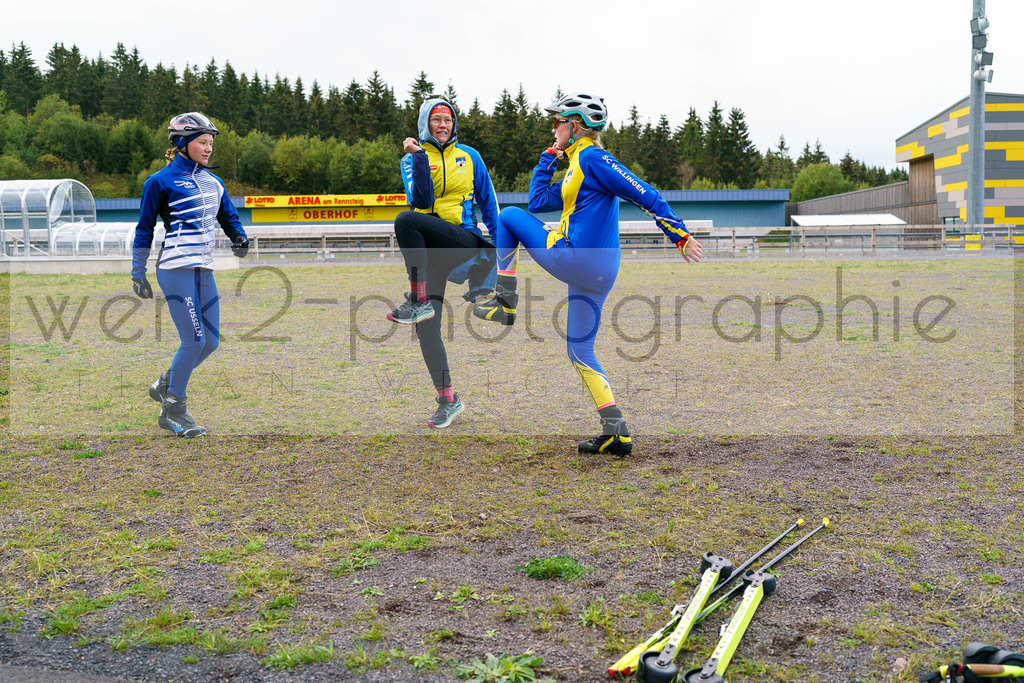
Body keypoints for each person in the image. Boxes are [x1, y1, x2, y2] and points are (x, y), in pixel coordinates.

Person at [473, 92, 703, 456]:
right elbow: (539, 201)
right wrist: (548, 159)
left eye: (557, 122)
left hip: (579, 259)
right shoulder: (577, 163)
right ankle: (617, 432)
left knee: (507, 217)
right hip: (596, 272)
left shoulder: (594, 158)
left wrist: (680, 235)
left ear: (574, 125)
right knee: (579, 350)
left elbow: (646, 194)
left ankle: (504, 299)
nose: (553, 127)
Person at [131, 112, 250, 437]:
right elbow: (144, 230)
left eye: (211, 143)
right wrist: (137, 271)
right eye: (202, 142)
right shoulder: (159, 182)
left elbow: (229, 217)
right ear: (182, 143)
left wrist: (239, 236)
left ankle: (164, 384)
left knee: (210, 342)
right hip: (174, 268)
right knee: (193, 340)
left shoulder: (215, 183)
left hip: (203, 269)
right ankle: (174, 410)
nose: (209, 148)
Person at [388, 97, 499, 429]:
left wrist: (502, 254)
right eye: (436, 119)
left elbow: (489, 203)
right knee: (427, 329)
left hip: (463, 239)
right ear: (425, 123)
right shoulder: (413, 159)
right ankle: (448, 399)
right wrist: (418, 156)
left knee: (405, 221)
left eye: (448, 120)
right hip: (433, 251)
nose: (443, 125)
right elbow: (421, 199)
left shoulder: (471, 156)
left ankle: (416, 300)